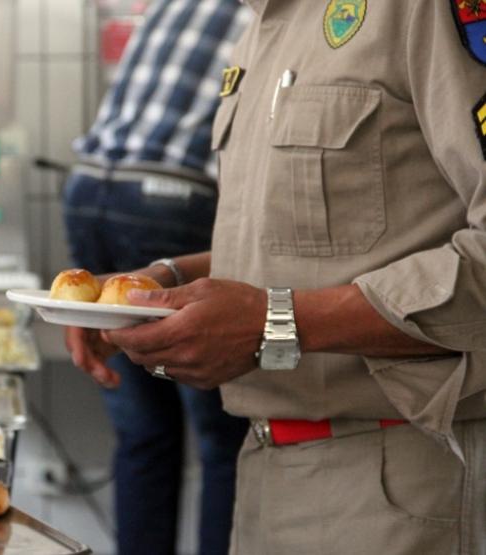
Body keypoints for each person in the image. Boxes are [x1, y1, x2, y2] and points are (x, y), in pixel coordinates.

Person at [66, 0, 486, 553]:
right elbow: (308, 248)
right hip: (268, 476)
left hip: (399, 482)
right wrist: (160, 284)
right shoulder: (265, 23)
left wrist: (276, 324)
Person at [62, 1, 252, 553]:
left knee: (143, 430)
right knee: (225, 436)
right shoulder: (279, 13)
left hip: (89, 188)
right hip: (172, 197)